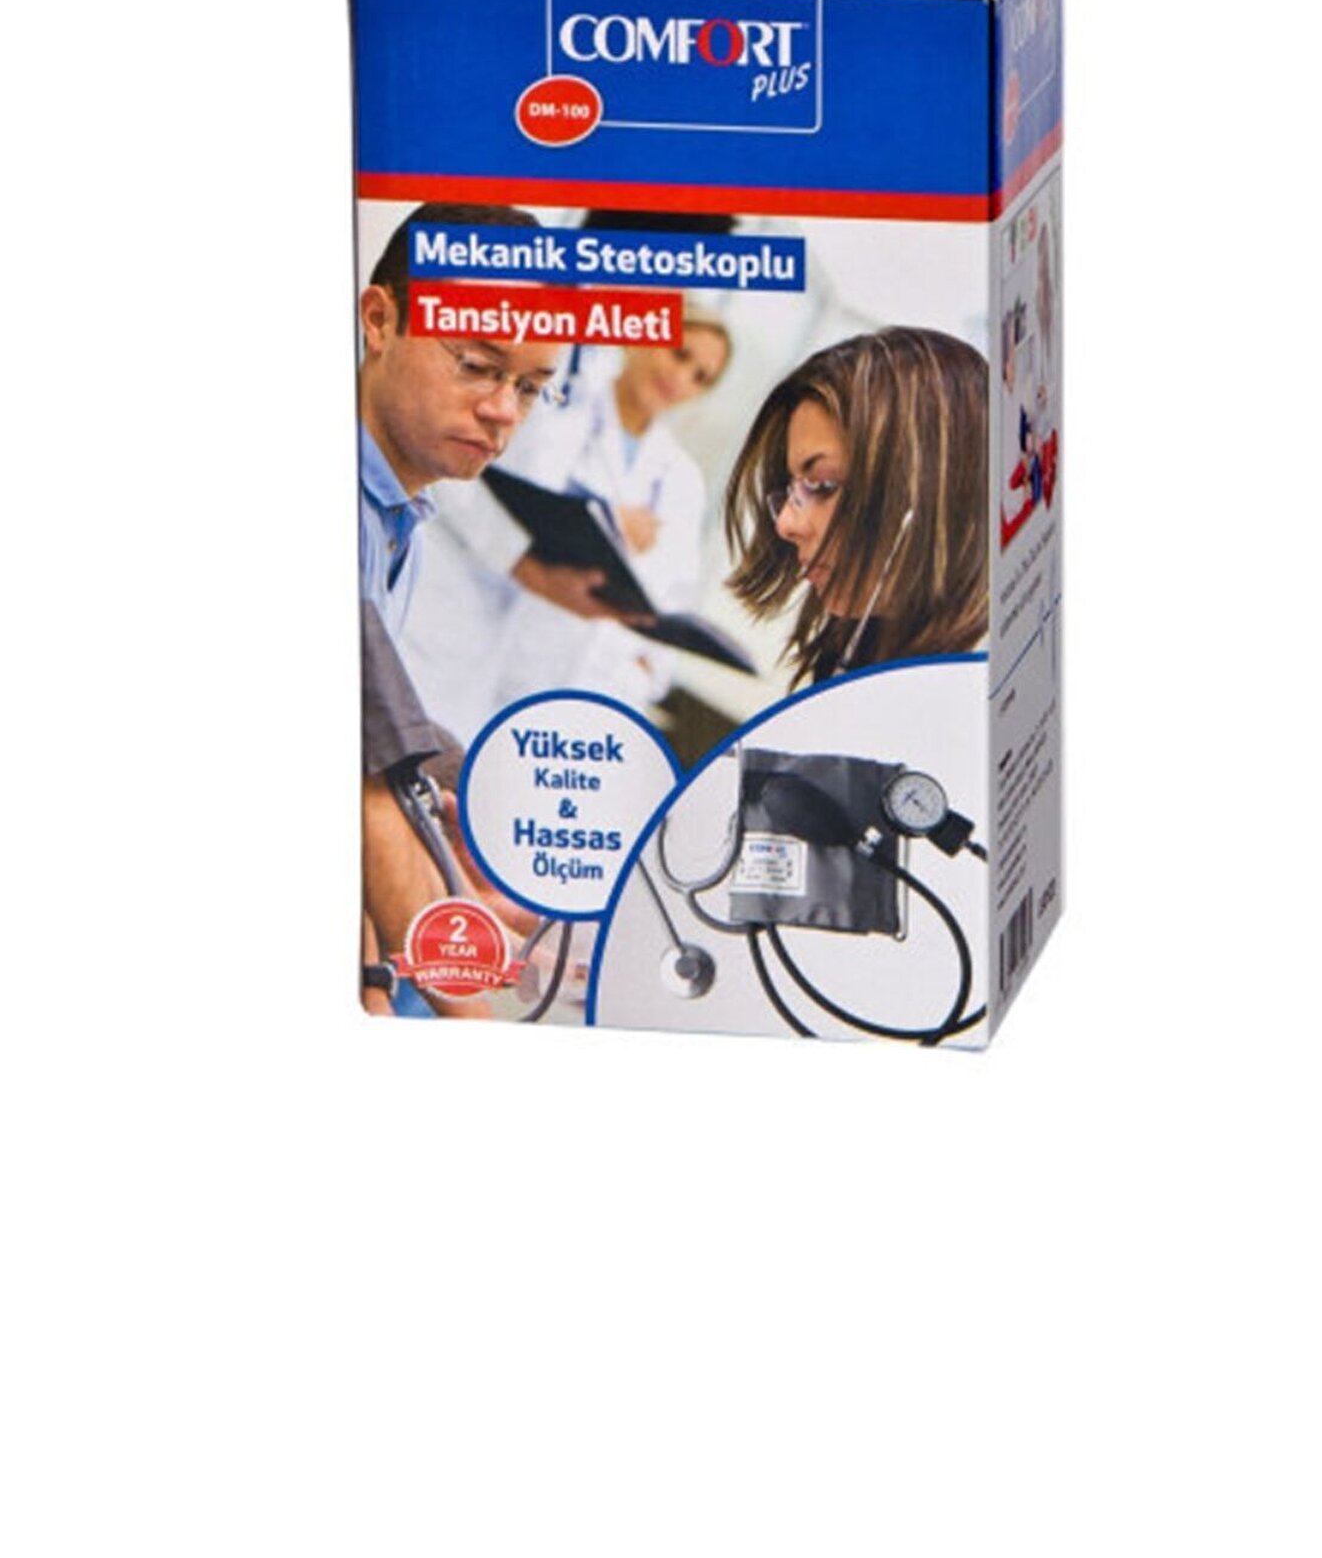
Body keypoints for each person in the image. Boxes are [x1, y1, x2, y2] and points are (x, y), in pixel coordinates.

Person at [357, 200, 569, 1013]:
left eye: (530, 388)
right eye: (477, 365)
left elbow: (373, 730)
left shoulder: (398, 514)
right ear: (379, 320)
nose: (503, 411)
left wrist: (484, 797)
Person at [480, 313, 733, 714]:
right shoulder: (559, 409)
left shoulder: (682, 481)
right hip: (515, 647)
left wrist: (644, 674)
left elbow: (677, 596)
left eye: (700, 377)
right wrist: (608, 518)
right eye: (679, 354)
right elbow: (511, 498)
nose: (681, 377)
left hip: (604, 690)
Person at [724, 326, 988, 685]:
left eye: (823, 485)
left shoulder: (980, 682)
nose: (785, 523)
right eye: (792, 491)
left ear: (930, 487)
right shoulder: (863, 654)